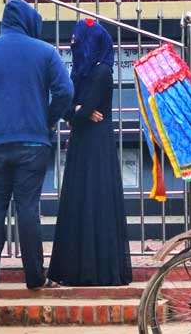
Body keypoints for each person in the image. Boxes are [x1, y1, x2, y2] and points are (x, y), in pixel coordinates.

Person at [0, 0, 73, 291]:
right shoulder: (45, 52)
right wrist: (47, 120)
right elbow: (65, 91)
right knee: (28, 209)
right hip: (33, 144)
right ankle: (35, 278)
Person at [47, 18, 132, 286]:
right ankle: (74, 268)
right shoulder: (80, 73)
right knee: (79, 199)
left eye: (80, 41)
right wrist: (76, 112)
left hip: (97, 144)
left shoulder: (102, 72)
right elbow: (68, 107)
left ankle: (98, 269)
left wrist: (77, 112)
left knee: (96, 200)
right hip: (82, 142)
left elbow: (84, 109)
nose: (75, 46)